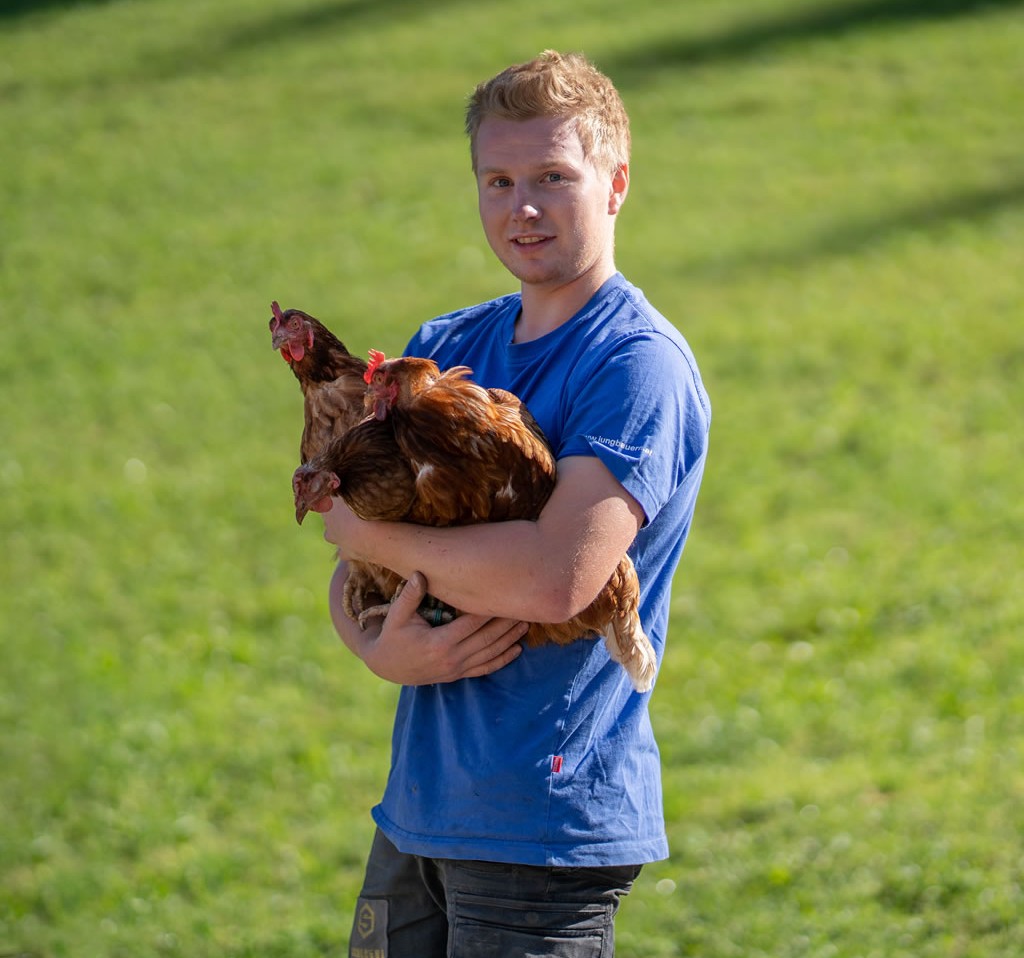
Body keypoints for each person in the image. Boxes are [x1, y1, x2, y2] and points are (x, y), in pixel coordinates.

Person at [322, 50, 711, 958]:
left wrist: (365, 527)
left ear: (615, 184)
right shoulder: (441, 352)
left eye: (551, 178)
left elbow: (556, 579)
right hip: (419, 809)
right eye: (497, 180)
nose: (521, 206)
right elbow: (360, 574)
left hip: (544, 820)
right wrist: (380, 650)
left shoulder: (634, 364)